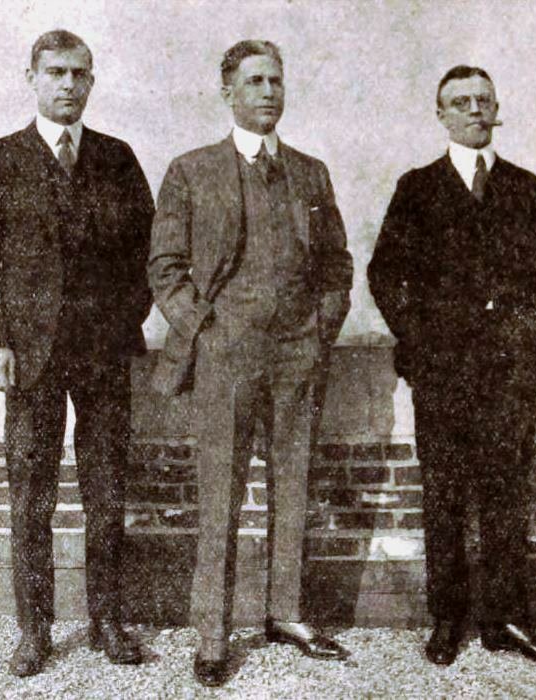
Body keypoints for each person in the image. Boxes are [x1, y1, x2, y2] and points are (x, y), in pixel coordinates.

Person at [148, 40, 353, 687]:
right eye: (255, 82)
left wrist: (320, 329)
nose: (268, 92)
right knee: (220, 495)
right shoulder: (191, 170)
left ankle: (285, 614)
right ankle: (212, 633)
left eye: (276, 81)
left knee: (293, 488)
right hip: (225, 358)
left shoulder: (310, 172)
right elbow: (165, 268)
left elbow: (336, 267)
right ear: (227, 91)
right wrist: (206, 332)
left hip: (297, 356)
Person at [0, 30, 153, 676]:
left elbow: (144, 256)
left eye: (79, 73)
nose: (67, 84)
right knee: (31, 496)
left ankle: (106, 619)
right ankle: (34, 629)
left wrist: (124, 320)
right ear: (31, 78)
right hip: (30, 358)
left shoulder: (118, 159)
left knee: (106, 492)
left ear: (92, 83)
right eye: (55, 72)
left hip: (101, 356)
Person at [368, 65, 536, 667]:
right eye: (461, 102)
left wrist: (526, 344)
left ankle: (506, 619)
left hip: (510, 375)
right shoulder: (417, 188)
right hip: (442, 374)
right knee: (445, 496)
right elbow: (384, 274)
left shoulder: (525, 188)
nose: (475, 110)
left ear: (497, 107)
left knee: (507, 494)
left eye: (484, 100)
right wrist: (422, 338)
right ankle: (446, 618)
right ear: (442, 114)